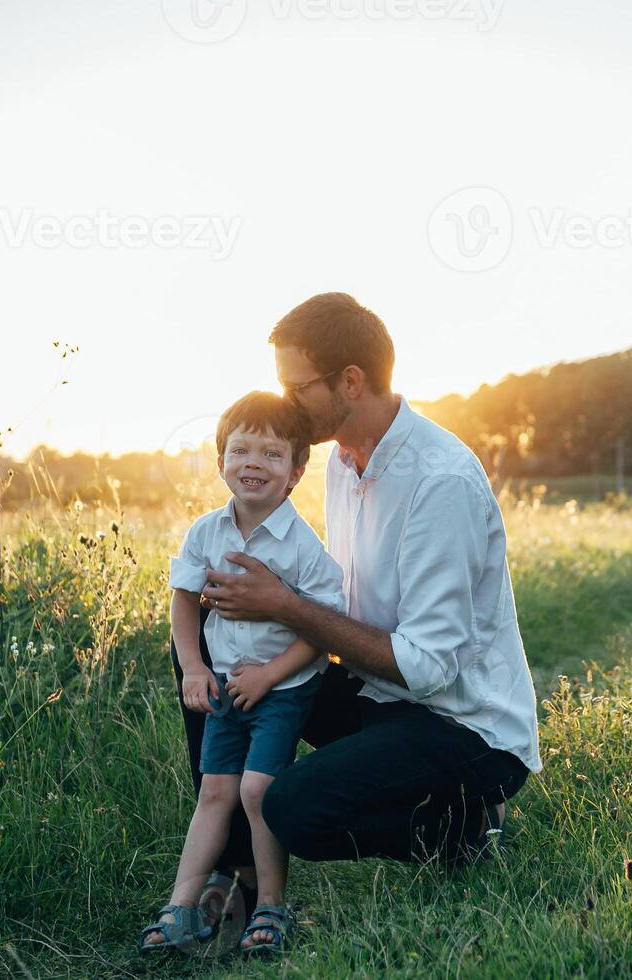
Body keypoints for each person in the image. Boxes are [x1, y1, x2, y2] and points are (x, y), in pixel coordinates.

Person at [199, 292, 541, 876]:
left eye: (296, 387)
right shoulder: (340, 461)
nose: (286, 402)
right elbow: (339, 606)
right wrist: (255, 606)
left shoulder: (441, 481)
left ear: (349, 382)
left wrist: (284, 606)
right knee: (215, 644)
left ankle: (463, 828)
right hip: (378, 697)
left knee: (293, 808)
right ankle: (230, 870)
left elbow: (428, 668)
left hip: (464, 726)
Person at [141, 391, 344, 956]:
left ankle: (271, 908)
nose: (254, 463)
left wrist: (268, 676)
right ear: (221, 460)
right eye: (242, 450)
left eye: (272, 454)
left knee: (258, 791)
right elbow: (184, 601)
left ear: (296, 471)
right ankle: (180, 907)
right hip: (225, 683)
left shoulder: (302, 547)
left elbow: (322, 626)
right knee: (215, 792)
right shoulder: (206, 532)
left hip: (280, 688)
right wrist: (192, 667)